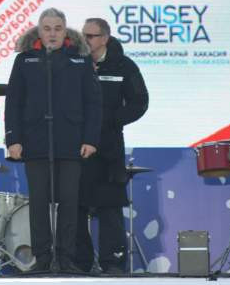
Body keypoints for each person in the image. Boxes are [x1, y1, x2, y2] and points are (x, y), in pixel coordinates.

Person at [4, 8, 102, 272]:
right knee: (38, 202)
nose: (52, 34)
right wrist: (13, 139)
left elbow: (93, 103)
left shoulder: (80, 60)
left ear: (65, 30)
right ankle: (43, 259)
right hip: (35, 142)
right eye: (47, 29)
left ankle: (66, 258)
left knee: (69, 202)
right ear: (39, 31)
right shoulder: (25, 60)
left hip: (71, 142)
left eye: (58, 28)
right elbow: (13, 102)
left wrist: (90, 139)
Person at [74, 18, 149, 274]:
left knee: (110, 205)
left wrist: (112, 120)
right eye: (83, 35)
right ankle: (80, 263)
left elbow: (140, 102)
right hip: (77, 146)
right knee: (75, 206)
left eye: (91, 36)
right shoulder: (74, 63)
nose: (85, 40)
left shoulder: (124, 65)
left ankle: (113, 262)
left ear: (105, 38)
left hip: (109, 147)